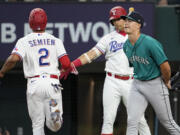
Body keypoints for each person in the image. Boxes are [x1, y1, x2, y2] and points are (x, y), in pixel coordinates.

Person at [60, 6, 151, 135]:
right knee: (108, 120)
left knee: (140, 120)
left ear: (125, 18)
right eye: (113, 20)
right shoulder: (108, 38)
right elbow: (91, 54)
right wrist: (72, 65)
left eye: (118, 19)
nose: (115, 22)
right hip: (112, 80)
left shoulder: (137, 37)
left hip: (131, 82)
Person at [0, 8, 72, 135]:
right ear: (46, 22)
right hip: (52, 83)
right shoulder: (55, 40)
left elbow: (13, 59)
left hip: (34, 84)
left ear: (30, 23)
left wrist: (2, 71)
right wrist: (64, 69)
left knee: (37, 125)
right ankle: (55, 117)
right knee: (55, 126)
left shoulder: (24, 40)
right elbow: (66, 63)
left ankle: (53, 117)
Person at [122, 11, 180, 135]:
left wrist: (166, 81)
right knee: (132, 121)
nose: (126, 23)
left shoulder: (150, 43)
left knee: (168, 123)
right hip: (137, 84)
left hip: (155, 84)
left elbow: (166, 67)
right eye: (125, 20)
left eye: (130, 21)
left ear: (138, 25)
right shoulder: (126, 45)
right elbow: (136, 66)